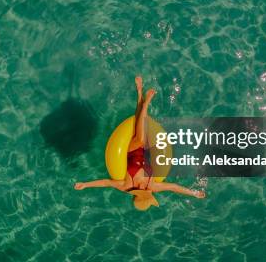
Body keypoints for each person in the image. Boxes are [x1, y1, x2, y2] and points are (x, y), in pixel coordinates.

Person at [74, 76, 205, 210]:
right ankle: (139, 93)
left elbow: (106, 182)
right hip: (149, 151)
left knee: (140, 136)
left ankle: (145, 102)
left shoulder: (126, 186)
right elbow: (173, 187)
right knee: (139, 123)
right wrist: (193, 193)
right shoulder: (153, 186)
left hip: (133, 150)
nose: (150, 194)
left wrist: (85, 185)